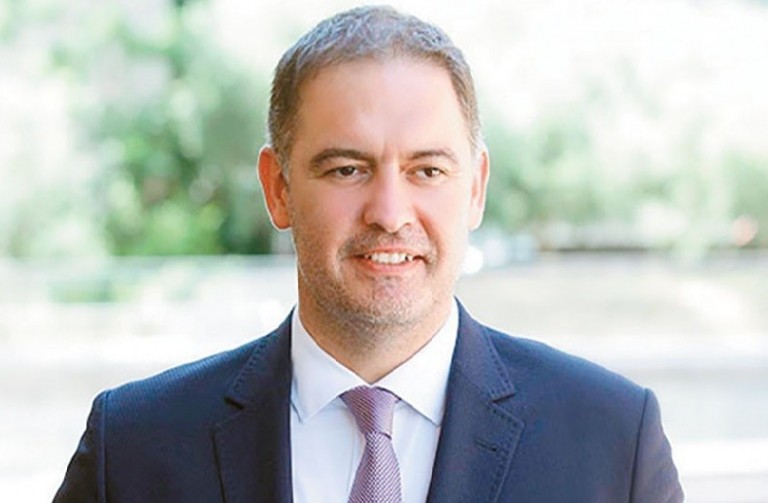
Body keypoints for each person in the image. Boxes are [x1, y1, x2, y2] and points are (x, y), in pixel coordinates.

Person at [54, 5, 683, 502]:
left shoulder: (612, 442)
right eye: (347, 169)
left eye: (427, 170)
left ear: (475, 188)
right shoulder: (133, 449)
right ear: (278, 189)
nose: (389, 211)